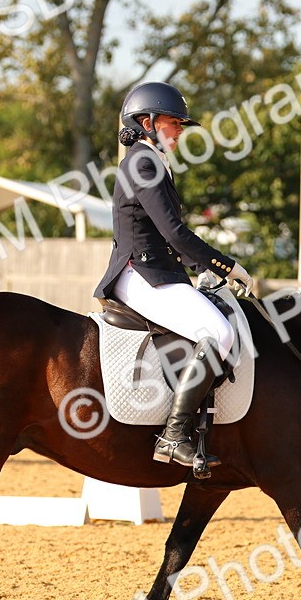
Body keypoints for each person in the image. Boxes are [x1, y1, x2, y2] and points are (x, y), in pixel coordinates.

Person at [93, 82, 253, 470]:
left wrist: (200, 271)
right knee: (220, 333)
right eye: (173, 122)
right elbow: (174, 233)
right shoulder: (142, 163)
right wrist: (224, 266)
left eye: (181, 123)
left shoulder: (150, 161)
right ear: (146, 122)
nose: (180, 129)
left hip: (159, 269)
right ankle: (174, 435)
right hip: (141, 272)